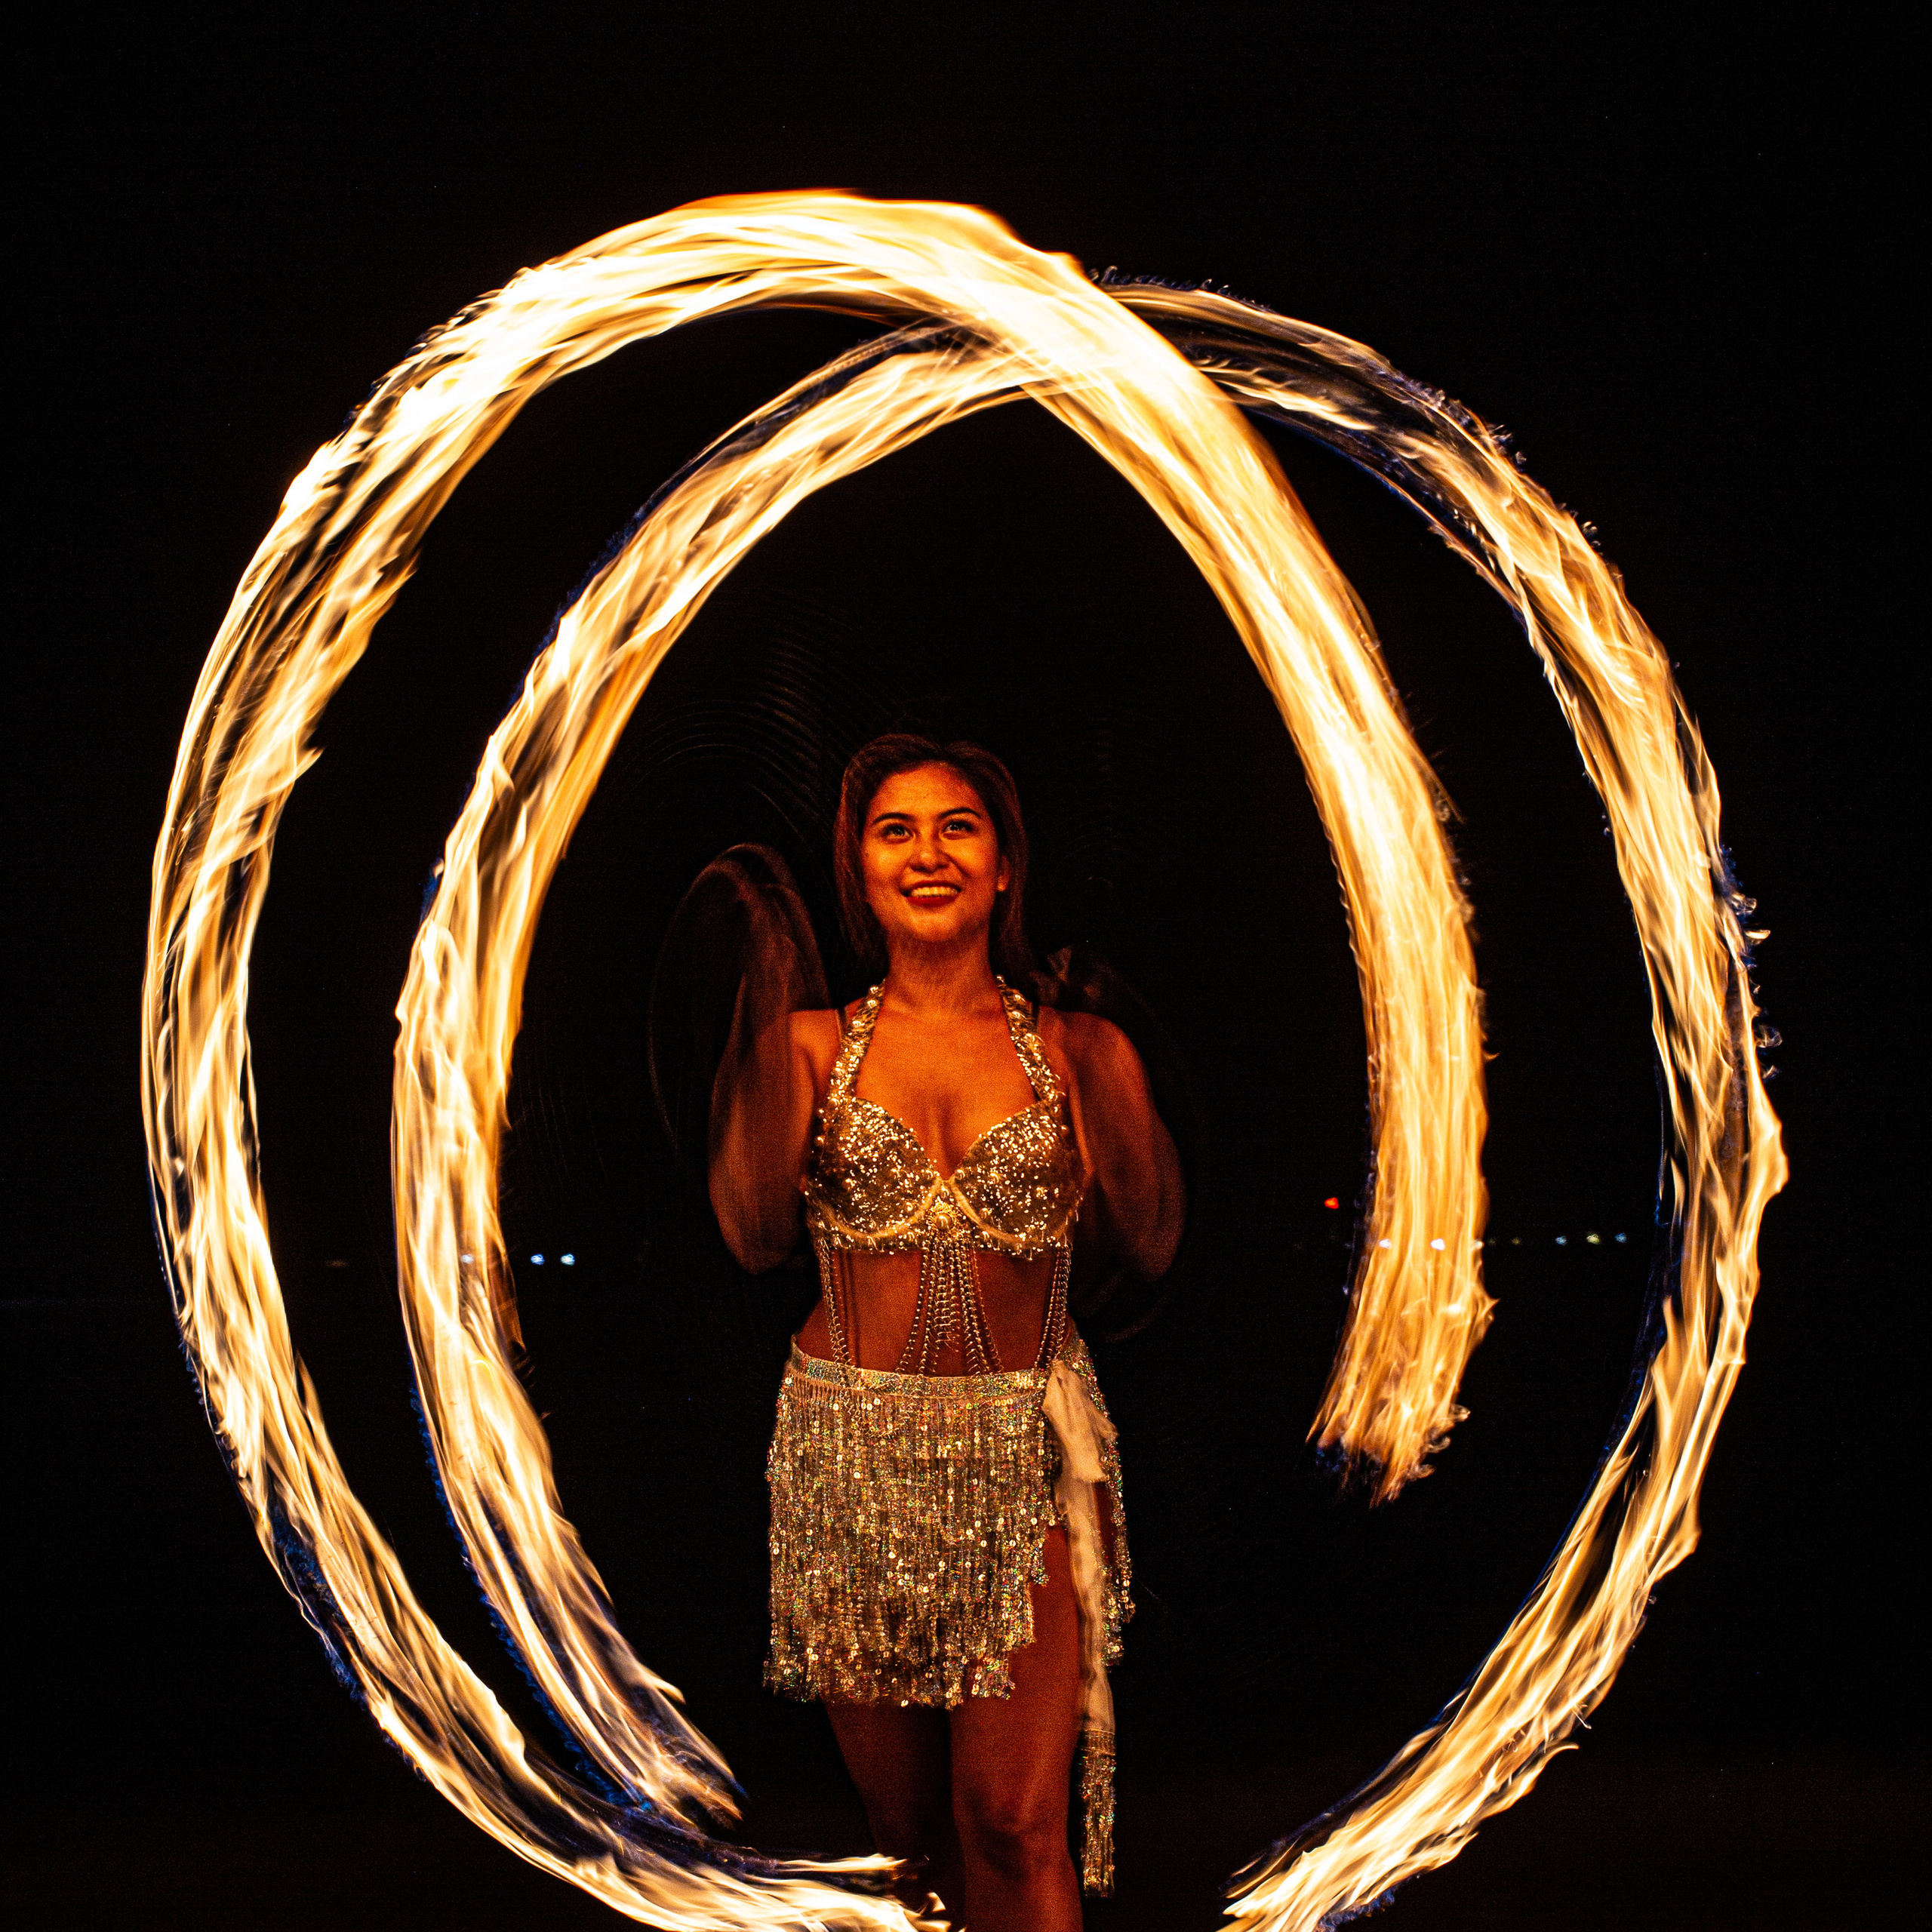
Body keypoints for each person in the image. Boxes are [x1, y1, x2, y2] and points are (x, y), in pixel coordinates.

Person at [707, 734, 1184, 1931]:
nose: (928, 853)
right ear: (860, 872)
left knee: (1015, 1825)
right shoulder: (812, 1046)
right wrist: (761, 1010)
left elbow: (1153, 1238)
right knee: (913, 1851)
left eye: (957, 826)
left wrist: (1112, 1077)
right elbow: (757, 1232)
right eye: (895, 831)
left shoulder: (1072, 1048)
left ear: (1006, 865)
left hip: (1017, 1453)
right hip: (850, 1458)